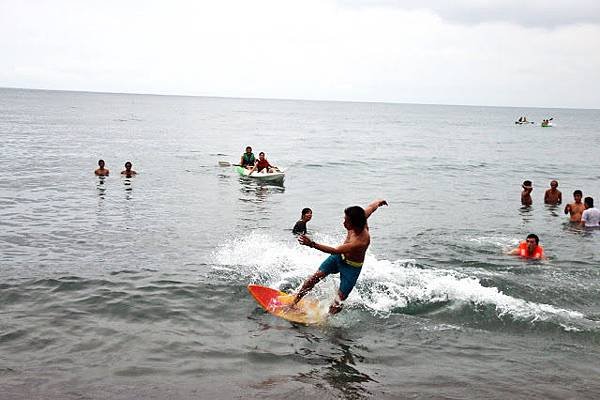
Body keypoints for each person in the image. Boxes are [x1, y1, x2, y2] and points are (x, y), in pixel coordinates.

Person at [292, 199, 388, 314]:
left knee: (339, 301)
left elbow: (335, 250)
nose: (343, 223)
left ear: (355, 223)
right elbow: (371, 207)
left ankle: (326, 320)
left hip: (351, 267)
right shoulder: (360, 217)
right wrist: (379, 202)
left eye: (346, 221)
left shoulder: (361, 241)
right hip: (338, 258)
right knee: (313, 279)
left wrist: (312, 244)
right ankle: (293, 304)